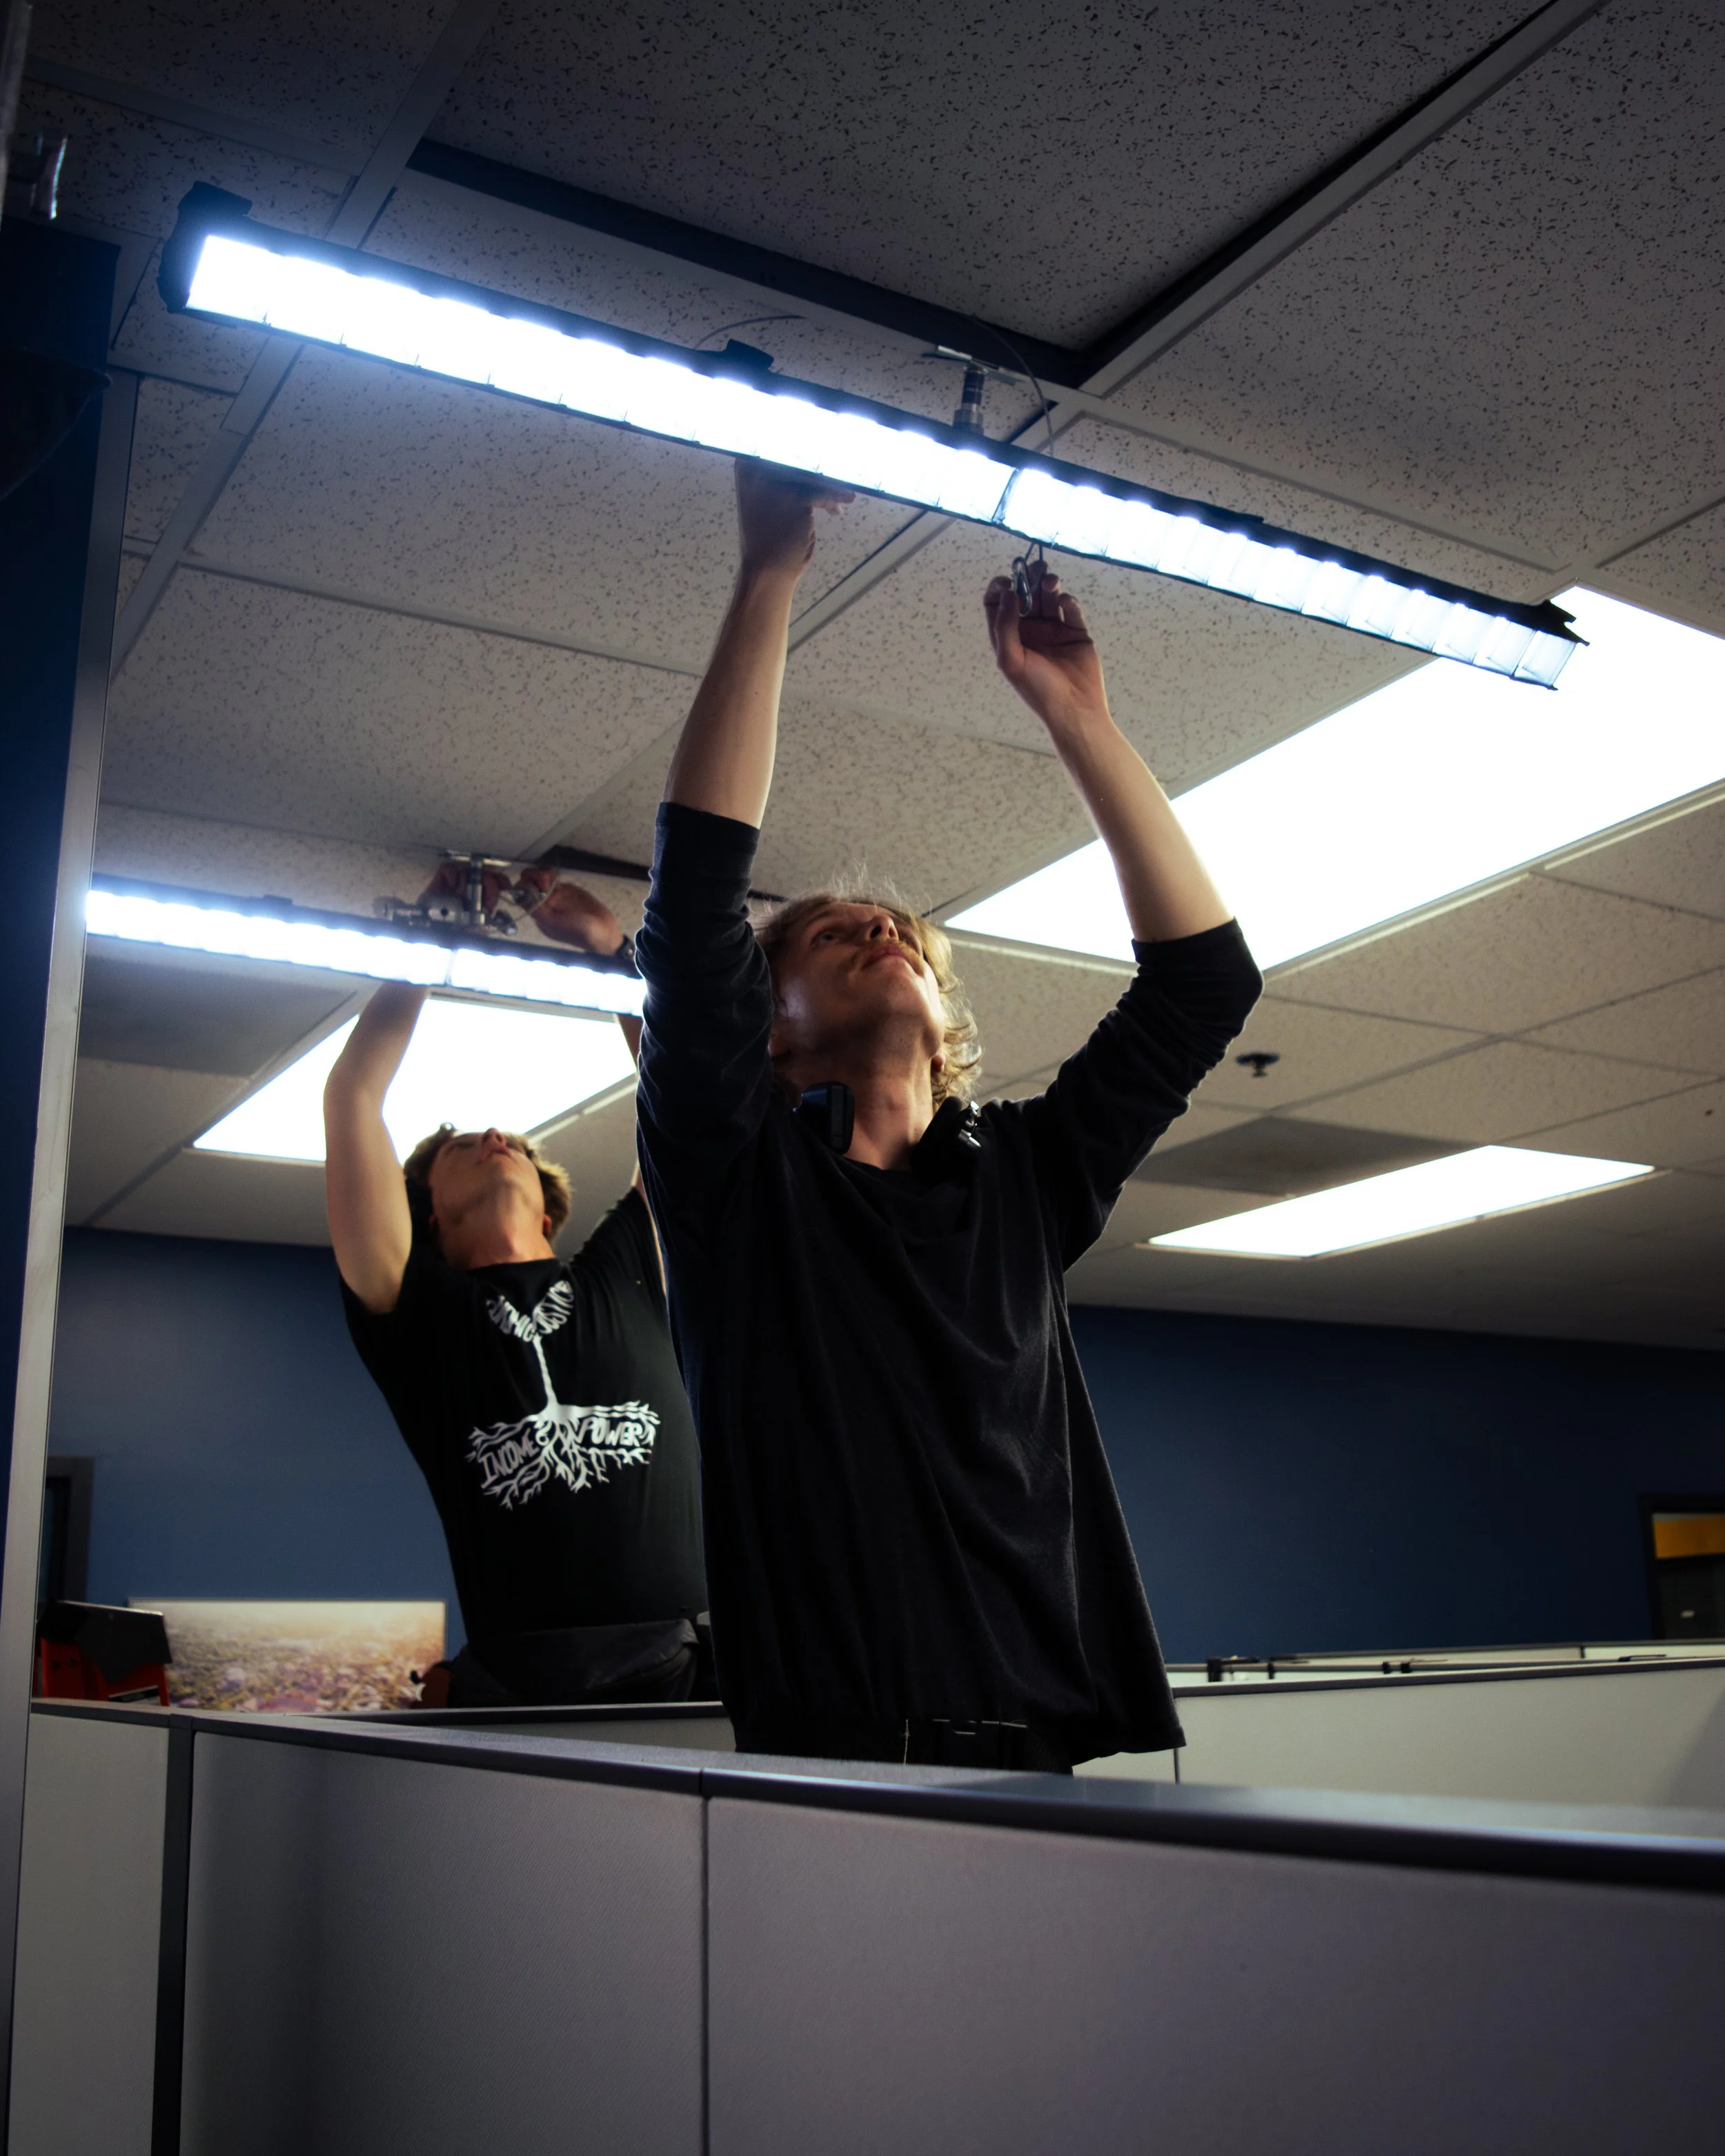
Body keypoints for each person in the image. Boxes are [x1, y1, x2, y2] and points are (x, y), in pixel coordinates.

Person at [633, 462, 1263, 1772]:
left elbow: (1206, 982)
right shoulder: (737, 1182)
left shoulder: (1026, 1180)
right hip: (835, 1757)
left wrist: (1079, 717)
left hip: (1049, 1754)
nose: (876, 927)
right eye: (824, 935)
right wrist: (769, 576)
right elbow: (694, 905)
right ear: (770, 1027)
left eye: (898, 931)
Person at [324, 867, 707, 1708]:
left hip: (689, 1678)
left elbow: (685, 1113)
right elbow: (354, 1096)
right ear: (426, 1209)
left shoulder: (625, 1273)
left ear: (548, 1198)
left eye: (519, 1144)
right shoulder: (415, 1314)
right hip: (526, 1694)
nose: (498, 1136)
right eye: (463, 1141)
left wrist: (612, 953)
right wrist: (428, 940)